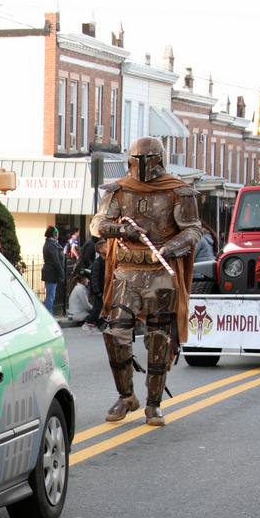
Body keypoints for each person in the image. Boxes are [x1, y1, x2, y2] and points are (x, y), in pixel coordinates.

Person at [90, 136, 202, 427]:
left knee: (158, 336)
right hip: (126, 271)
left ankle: (154, 404)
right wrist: (121, 231)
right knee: (116, 333)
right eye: (137, 159)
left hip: (160, 273)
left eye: (147, 159)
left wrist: (172, 246)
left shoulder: (178, 191)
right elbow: (97, 224)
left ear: (159, 159)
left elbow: (193, 230)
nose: (141, 166)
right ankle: (126, 395)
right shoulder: (119, 190)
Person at [82, 238, 107, 333]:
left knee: (102, 307)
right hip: (99, 290)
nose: (108, 248)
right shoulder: (98, 262)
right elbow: (94, 278)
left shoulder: (107, 261)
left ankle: (101, 324)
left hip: (105, 289)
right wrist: (97, 291)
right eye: (106, 246)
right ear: (100, 250)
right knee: (97, 308)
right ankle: (89, 321)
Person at [41, 225, 64, 314]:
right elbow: (56, 260)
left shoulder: (52, 244)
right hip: (51, 273)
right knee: (50, 295)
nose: (58, 235)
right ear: (54, 234)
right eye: (57, 233)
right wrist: (61, 273)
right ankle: (48, 313)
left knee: (51, 295)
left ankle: (49, 312)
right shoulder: (51, 245)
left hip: (52, 273)